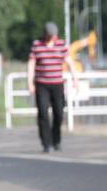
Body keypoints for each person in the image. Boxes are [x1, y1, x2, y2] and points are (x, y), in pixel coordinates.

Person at [27, 22, 79, 153]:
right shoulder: (37, 45)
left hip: (57, 84)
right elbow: (31, 64)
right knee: (43, 113)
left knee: (59, 113)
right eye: (50, 36)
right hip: (42, 84)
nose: (52, 38)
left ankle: (57, 140)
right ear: (45, 34)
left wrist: (75, 79)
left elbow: (70, 62)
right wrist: (30, 83)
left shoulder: (61, 45)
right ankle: (46, 142)